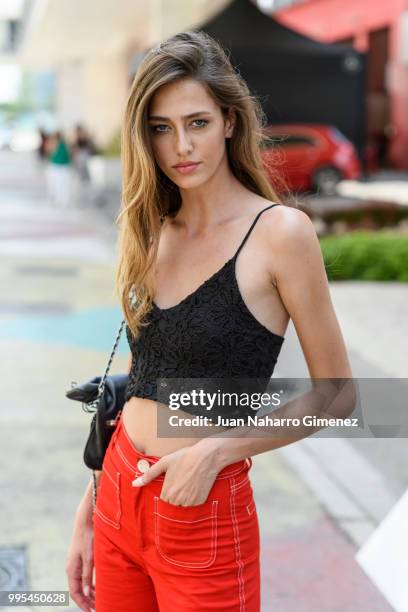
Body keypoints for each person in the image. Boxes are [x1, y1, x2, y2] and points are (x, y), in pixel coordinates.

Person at [66, 31, 353, 612]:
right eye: (161, 128)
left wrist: (218, 450)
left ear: (228, 119)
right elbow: (139, 375)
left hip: (203, 510)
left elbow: (338, 394)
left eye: (196, 122)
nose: (180, 147)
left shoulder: (280, 235)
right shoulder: (152, 229)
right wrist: (91, 506)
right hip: (120, 490)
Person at [46, 130, 72, 208]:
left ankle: (62, 200)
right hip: (57, 167)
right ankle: (60, 200)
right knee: (60, 185)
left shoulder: (63, 144)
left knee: (61, 185)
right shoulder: (61, 144)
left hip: (61, 167)